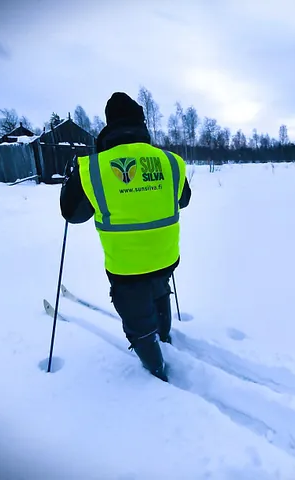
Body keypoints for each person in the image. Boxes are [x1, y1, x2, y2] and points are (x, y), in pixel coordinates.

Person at [59, 92, 191, 382]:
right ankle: (164, 339)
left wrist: (72, 179)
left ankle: (156, 369)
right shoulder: (171, 162)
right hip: (165, 256)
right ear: (141, 124)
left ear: (110, 124)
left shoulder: (93, 167)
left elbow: (72, 213)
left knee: (137, 315)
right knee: (159, 293)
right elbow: (183, 200)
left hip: (126, 265)